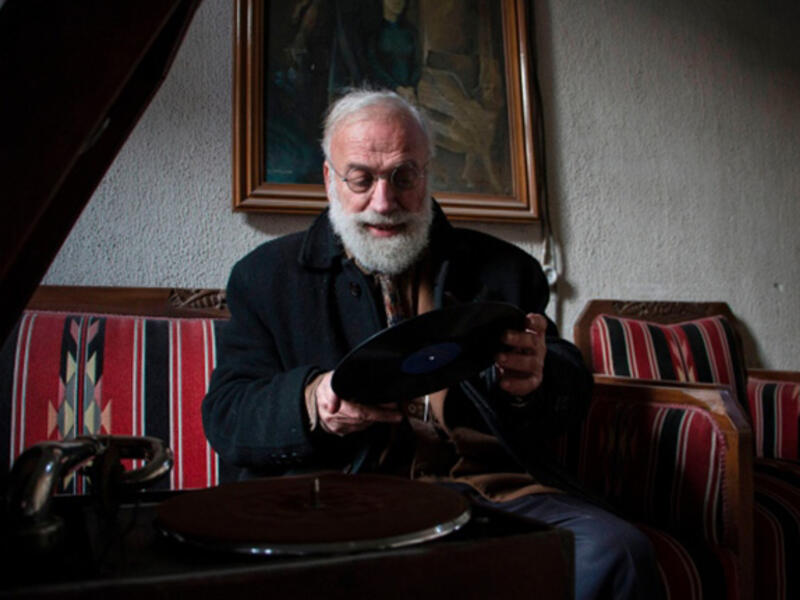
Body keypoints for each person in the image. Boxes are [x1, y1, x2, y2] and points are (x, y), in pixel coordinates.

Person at [202, 88, 663, 600]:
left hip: (493, 496)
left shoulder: (506, 270)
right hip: (344, 502)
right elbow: (227, 413)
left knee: (617, 551)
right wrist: (314, 401)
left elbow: (567, 389)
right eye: (362, 179)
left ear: (427, 175)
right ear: (330, 179)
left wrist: (537, 379)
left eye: (403, 177)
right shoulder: (265, 278)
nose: (384, 202)